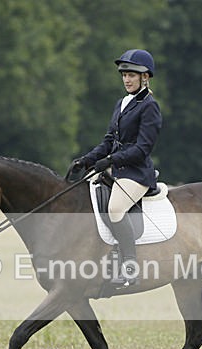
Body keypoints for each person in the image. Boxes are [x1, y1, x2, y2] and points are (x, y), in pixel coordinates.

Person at [72, 49, 163, 286]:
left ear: (145, 77)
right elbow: (109, 142)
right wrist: (87, 159)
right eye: (124, 75)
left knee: (114, 209)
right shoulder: (121, 103)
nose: (127, 79)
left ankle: (130, 267)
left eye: (132, 75)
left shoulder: (150, 106)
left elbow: (143, 148)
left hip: (136, 173)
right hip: (117, 170)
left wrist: (111, 160)